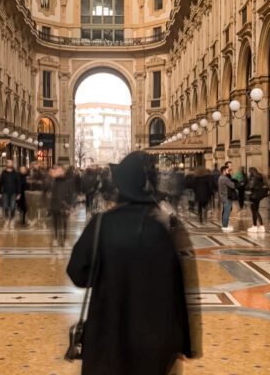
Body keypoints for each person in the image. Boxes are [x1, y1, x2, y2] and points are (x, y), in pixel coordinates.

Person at [67, 151, 201, 375]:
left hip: (107, 332)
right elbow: (183, 288)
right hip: (156, 338)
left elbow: (77, 274)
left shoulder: (101, 225)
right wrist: (185, 343)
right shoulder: (167, 226)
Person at [49, 165, 73, 247]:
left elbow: (71, 193)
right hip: (55, 204)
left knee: (65, 223)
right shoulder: (53, 180)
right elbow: (47, 189)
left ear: (62, 171)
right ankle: (55, 239)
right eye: (56, 170)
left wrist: (70, 205)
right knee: (55, 223)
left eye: (59, 170)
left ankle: (65, 239)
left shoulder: (68, 181)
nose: (57, 172)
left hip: (64, 204)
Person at [0, 159, 21, 230]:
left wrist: (19, 193)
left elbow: (18, 184)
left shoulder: (16, 173)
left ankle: (12, 220)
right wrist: (0, 193)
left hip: (14, 193)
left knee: (13, 206)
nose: (10, 164)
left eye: (12, 162)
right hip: (5, 192)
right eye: (9, 162)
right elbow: (0, 183)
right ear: (7, 164)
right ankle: (7, 219)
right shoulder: (4, 173)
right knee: (5, 207)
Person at [247, 167, 267, 233]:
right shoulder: (260, 176)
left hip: (253, 196)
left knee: (254, 211)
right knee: (256, 210)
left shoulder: (253, 177)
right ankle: (261, 226)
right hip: (259, 196)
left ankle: (254, 226)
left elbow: (251, 186)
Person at [218, 165, 237, 232]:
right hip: (226, 197)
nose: (228, 171)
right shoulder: (224, 178)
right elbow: (233, 185)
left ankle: (224, 225)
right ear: (224, 171)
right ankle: (225, 226)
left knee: (226, 211)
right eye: (227, 170)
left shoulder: (220, 177)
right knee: (227, 212)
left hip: (223, 196)